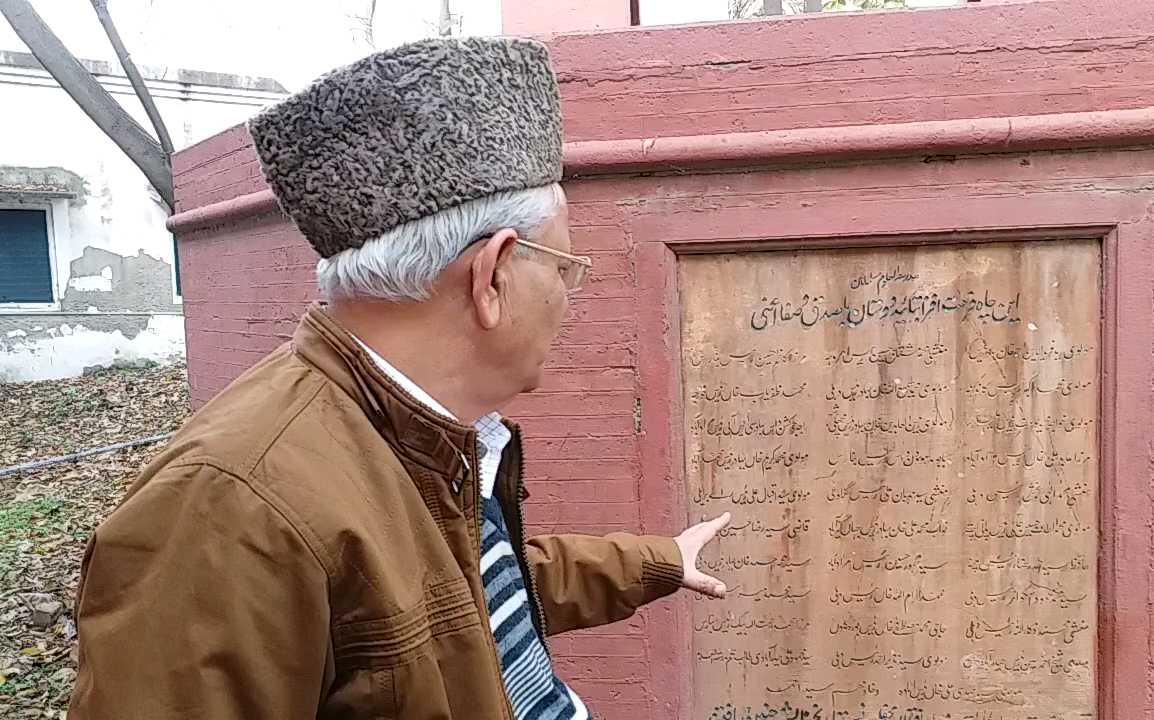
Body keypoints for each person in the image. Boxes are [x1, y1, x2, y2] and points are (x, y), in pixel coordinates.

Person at [68, 36, 730, 719]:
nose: (569, 296)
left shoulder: (410, 435)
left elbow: (461, 599)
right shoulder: (230, 512)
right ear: (493, 276)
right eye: (564, 269)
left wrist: (655, 563)